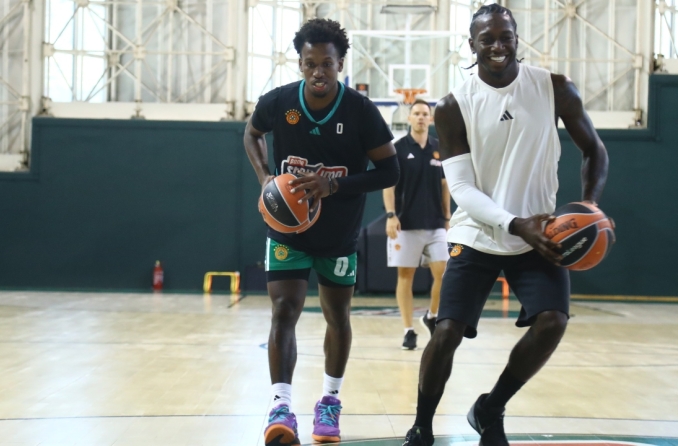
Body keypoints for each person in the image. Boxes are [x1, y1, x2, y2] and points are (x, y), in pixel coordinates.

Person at [401, 4, 609, 445]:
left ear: (517, 38)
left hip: (541, 232)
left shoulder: (554, 88)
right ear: (471, 45)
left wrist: (590, 203)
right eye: (487, 39)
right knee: (447, 331)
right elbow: (461, 187)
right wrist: (514, 223)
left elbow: (594, 149)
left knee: (553, 321)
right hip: (478, 231)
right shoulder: (453, 106)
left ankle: (490, 408)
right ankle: (422, 425)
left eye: (505, 37)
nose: (497, 46)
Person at [243, 18, 399, 445]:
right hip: (287, 230)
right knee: (283, 310)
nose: (318, 72)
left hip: (338, 234)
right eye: (310, 63)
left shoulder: (360, 111)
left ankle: (329, 401)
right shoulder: (279, 102)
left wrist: (334, 186)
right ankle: (280, 406)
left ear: (340, 64)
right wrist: (265, 178)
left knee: (337, 317)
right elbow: (252, 134)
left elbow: (390, 171)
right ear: (300, 63)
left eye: (326, 64)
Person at [383, 99, 451, 350]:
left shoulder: (439, 148)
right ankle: (408, 330)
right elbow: (388, 185)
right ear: (409, 118)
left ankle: (432, 316)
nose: (421, 117)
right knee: (406, 276)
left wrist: (447, 217)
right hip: (406, 223)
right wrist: (391, 215)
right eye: (417, 113)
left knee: (444, 272)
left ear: (430, 119)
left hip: (436, 223)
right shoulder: (398, 149)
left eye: (425, 114)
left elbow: (445, 186)